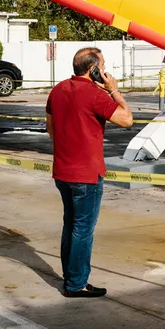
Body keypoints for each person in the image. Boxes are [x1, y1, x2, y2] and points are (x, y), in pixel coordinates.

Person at [46, 47, 133, 298]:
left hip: (63, 172)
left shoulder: (57, 90)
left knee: (70, 225)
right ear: (93, 69)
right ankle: (76, 284)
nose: (105, 70)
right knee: (83, 229)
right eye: (102, 66)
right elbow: (126, 119)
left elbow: (50, 128)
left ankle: (71, 276)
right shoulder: (95, 95)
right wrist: (114, 90)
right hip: (87, 173)